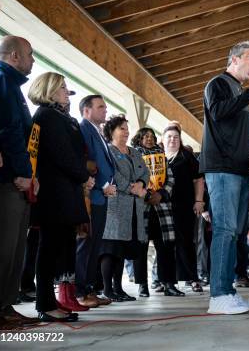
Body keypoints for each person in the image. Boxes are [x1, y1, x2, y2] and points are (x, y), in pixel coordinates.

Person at [199, 40, 249, 314]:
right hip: (222, 169)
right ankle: (218, 296)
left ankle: (228, 291)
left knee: (235, 233)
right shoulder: (218, 84)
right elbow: (218, 113)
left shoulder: (239, 90)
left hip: (240, 169)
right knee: (224, 229)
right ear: (233, 60)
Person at [28, 72, 93, 322]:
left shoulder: (58, 116)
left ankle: (51, 300)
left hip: (64, 191)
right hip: (55, 193)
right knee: (49, 248)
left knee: (58, 248)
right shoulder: (47, 116)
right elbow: (62, 154)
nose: (67, 91)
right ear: (50, 90)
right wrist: (84, 176)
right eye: (63, 87)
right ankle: (45, 304)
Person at [0, 36, 40, 330]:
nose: (33, 60)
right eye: (30, 55)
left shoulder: (11, 86)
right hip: (8, 180)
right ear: (14, 55)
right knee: (4, 246)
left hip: (17, 178)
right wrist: (23, 173)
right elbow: (9, 132)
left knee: (14, 247)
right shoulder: (2, 83)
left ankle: (6, 304)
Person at [99, 115, 149, 302]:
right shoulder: (108, 151)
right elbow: (112, 174)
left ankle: (118, 288)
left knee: (123, 248)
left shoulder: (134, 152)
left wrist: (142, 183)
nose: (126, 132)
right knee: (111, 248)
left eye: (127, 129)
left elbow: (145, 170)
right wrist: (131, 188)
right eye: (122, 128)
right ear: (111, 131)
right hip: (115, 206)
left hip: (134, 207)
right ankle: (107, 289)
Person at [75, 95, 116, 307]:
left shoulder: (98, 132)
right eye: (101, 107)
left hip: (103, 194)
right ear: (86, 111)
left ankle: (90, 288)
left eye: (105, 107)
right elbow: (89, 161)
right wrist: (102, 185)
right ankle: (80, 292)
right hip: (92, 194)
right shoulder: (84, 129)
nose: (105, 110)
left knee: (95, 245)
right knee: (86, 243)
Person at [132, 127, 181, 297]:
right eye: (146, 136)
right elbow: (132, 178)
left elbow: (171, 178)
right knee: (141, 248)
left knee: (166, 247)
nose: (149, 139)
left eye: (152, 136)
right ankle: (142, 286)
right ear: (139, 138)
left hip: (161, 206)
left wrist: (162, 194)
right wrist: (146, 195)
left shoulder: (162, 156)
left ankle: (168, 284)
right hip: (142, 206)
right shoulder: (133, 155)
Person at [163, 125, 200, 295]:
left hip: (184, 206)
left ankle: (192, 278)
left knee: (186, 242)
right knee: (165, 245)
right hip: (162, 207)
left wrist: (199, 201)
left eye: (176, 137)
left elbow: (198, 180)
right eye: (169, 136)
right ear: (163, 139)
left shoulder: (187, 157)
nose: (172, 139)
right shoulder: (158, 157)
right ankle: (166, 280)